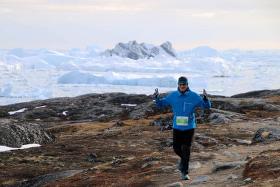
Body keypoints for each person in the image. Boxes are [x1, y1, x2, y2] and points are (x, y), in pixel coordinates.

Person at [153, 76, 211, 180]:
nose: (182, 86)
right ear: (178, 85)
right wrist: (156, 98)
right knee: (176, 148)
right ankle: (183, 161)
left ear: (187, 85)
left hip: (189, 127)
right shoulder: (173, 96)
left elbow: (206, 106)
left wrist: (206, 99)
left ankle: (184, 172)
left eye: (184, 84)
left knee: (186, 149)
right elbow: (161, 104)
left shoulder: (194, 96)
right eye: (180, 84)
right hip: (177, 127)